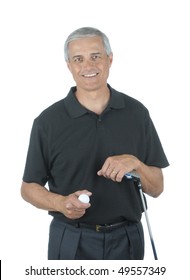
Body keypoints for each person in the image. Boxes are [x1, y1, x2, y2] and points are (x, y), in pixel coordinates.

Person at [21, 27, 169, 260]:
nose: (88, 66)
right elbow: (28, 188)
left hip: (128, 239)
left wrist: (136, 164)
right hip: (70, 238)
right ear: (69, 66)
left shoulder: (137, 113)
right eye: (78, 59)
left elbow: (157, 187)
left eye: (96, 56)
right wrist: (61, 203)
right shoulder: (47, 122)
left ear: (110, 59)